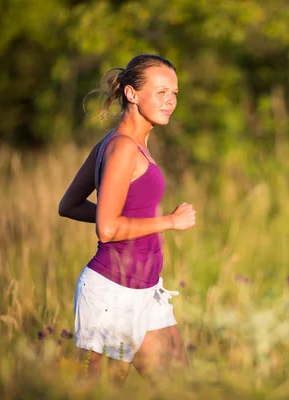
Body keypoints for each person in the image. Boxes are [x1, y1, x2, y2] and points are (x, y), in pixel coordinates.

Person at [58, 54, 196, 385]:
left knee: (180, 388)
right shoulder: (121, 148)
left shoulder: (128, 144)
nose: (170, 101)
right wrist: (168, 222)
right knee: (100, 392)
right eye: (161, 92)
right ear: (132, 94)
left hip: (147, 293)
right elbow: (108, 229)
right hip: (112, 295)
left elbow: (71, 205)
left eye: (174, 93)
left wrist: (119, 216)